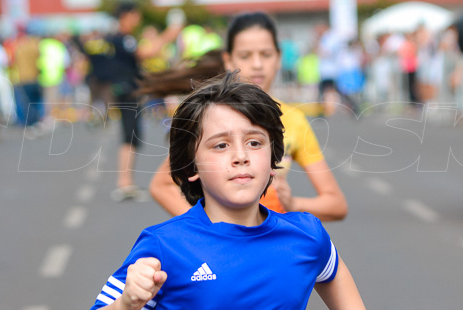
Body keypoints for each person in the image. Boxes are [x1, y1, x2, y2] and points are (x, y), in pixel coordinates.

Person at [76, 72, 387, 310]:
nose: (240, 157)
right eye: (220, 146)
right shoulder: (164, 246)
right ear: (191, 167)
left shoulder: (304, 235)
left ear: (274, 157)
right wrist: (126, 304)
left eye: (255, 143)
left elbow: (332, 272)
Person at [149, 12, 348, 221]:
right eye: (245, 56)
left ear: (279, 58)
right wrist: (211, 233)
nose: (257, 64)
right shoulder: (211, 116)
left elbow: (336, 205)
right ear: (228, 60)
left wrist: (293, 203)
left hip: (270, 245)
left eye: (266, 54)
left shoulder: (294, 120)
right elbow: (162, 186)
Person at [107, 1, 183, 202]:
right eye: (135, 15)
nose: (138, 20)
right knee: (129, 134)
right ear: (126, 15)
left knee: (132, 135)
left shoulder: (120, 37)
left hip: (127, 90)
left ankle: (126, 182)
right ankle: (124, 183)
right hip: (126, 91)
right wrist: (168, 35)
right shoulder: (123, 38)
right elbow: (145, 53)